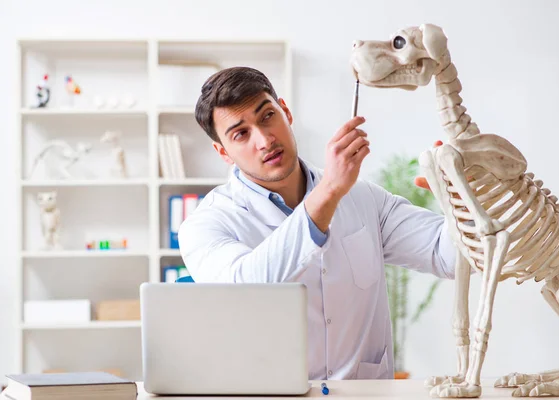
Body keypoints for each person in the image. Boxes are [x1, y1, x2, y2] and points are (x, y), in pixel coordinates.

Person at [178, 66, 457, 381]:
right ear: (223, 152)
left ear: (286, 112)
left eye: (268, 116)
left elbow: (448, 256)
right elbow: (245, 289)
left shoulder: (364, 198)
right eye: (241, 134)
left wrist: (462, 202)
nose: (265, 139)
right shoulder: (206, 225)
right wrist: (328, 194)